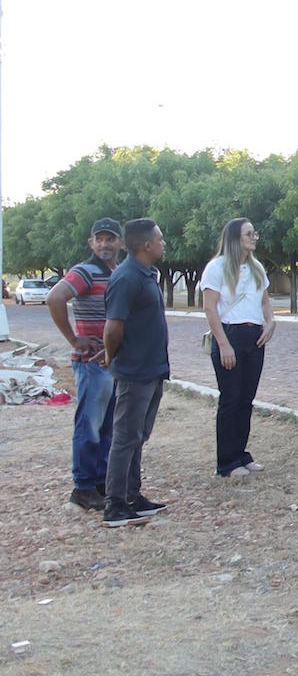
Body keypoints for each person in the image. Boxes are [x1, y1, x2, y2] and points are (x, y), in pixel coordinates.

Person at [47, 218, 124, 511]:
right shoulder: (85, 272)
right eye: (99, 239)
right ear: (91, 243)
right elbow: (55, 298)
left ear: (120, 243)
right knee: (89, 425)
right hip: (92, 362)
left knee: (106, 426)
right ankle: (83, 487)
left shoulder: (117, 272)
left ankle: (101, 482)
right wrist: (73, 339)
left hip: (112, 360)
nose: (105, 244)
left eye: (110, 239)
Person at [102, 218, 170, 528]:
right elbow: (113, 327)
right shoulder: (126, 277)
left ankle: (132, 495)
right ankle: (115, 505)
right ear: (146, 245)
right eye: (160, 239)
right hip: (134, 372)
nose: (163, 243)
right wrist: (111, 356)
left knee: (138, 437)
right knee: (125, 438)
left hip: (152, 370)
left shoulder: (146, 274)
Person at [201, 218, 276, 478]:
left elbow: (264, 301)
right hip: (229, 334)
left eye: (254, 233)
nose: (254, 237)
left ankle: (241, 454)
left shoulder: (257, 268)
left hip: (254, 337)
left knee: (246, 399)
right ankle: (226, 462)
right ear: (235, 238)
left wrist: (270, 321)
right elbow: (210, 308)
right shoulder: (217, 267)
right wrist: (223, 344)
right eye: (248, 234)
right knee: (230, 399)